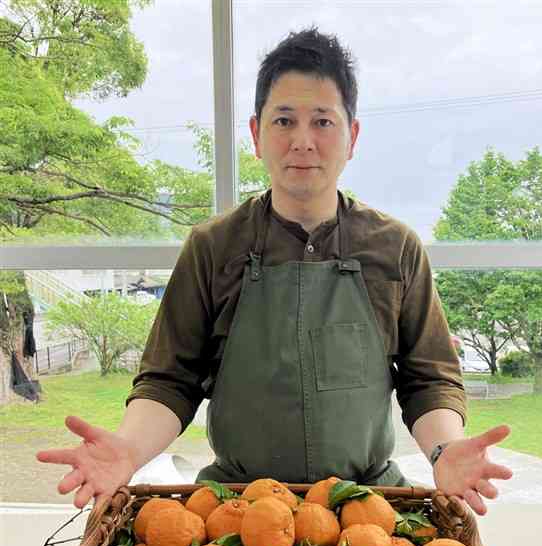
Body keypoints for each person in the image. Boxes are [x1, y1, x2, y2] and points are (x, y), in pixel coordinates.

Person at [37, 27, 512, 515]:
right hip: (234, 509)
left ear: (352, 136)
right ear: (256, 134)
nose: (302, 142)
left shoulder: (395, 248)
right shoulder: (213, 247)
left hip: (367, 506)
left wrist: (443, 450)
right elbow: (170, 381)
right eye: (284, 120)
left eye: (323, 122)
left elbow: (427, 379)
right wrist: (128, 451)